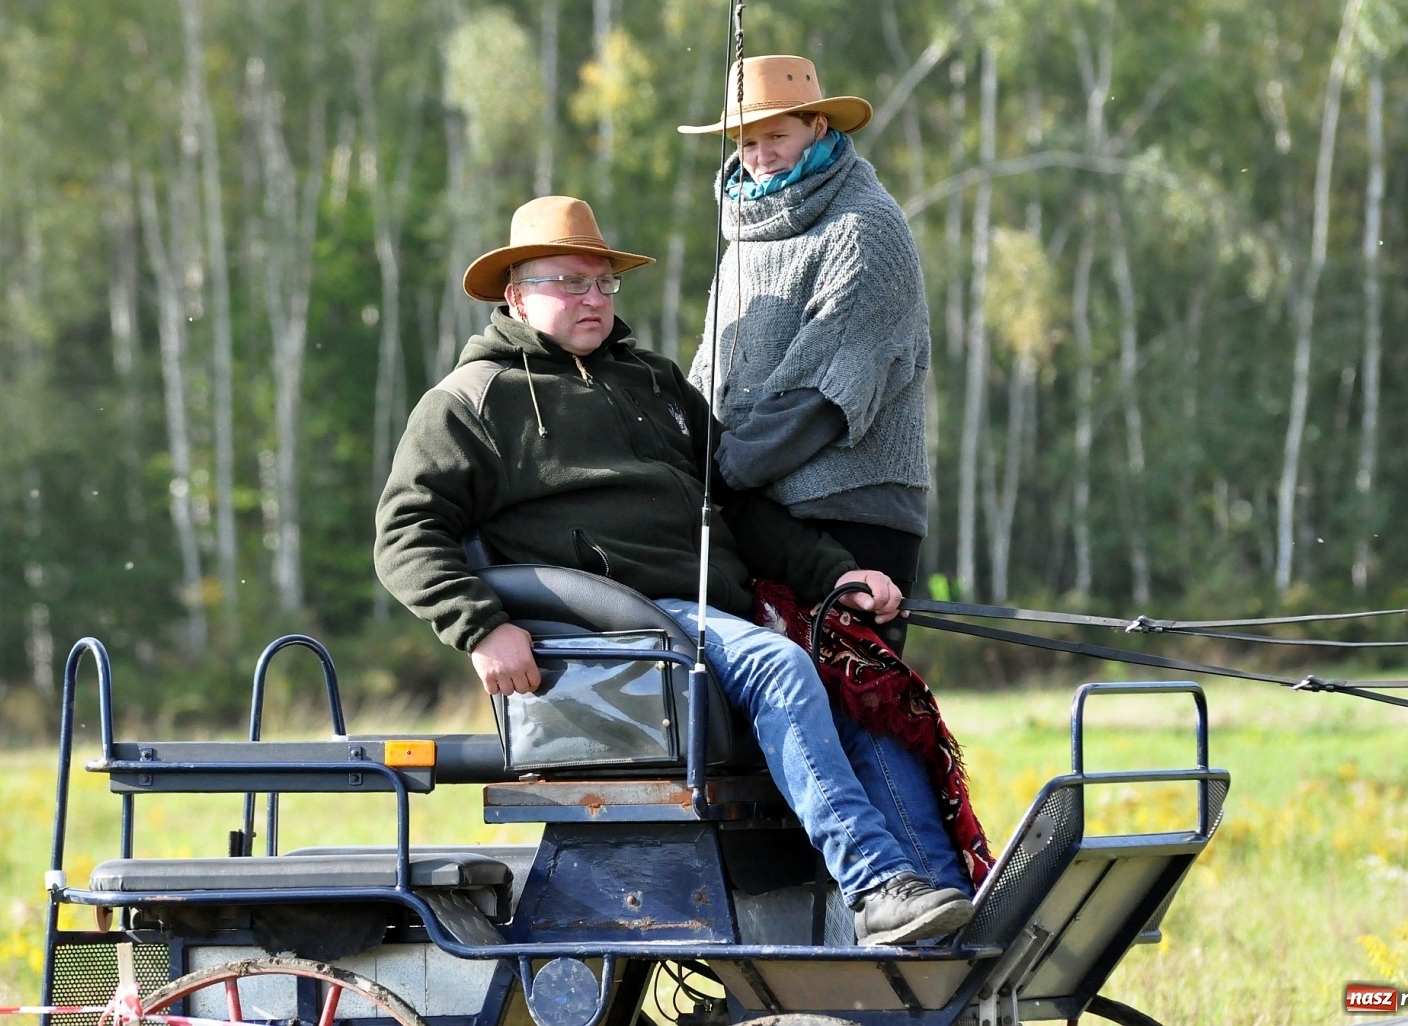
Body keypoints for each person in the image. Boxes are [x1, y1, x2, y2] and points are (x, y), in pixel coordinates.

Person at [375, 195, 973, 945]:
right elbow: (405, 530)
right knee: (782, 668)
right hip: (617, 632)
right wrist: (482, 627)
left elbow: (740, 508)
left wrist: (836, 577)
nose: (592, 299)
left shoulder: (654, 384)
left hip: (708, 618)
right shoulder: (470, 402)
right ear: (516, 294)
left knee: (865, 677)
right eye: (568, 282)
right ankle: (874, 885)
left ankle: (940, 907)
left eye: (603, 283)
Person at [681, 55, 931, 655]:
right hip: (754, 517)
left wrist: (719, 476)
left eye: (776, 136)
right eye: (745, 141)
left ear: (818, 128)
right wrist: (682, 461)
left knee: (864, 715)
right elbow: (711, 374)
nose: (760, 155)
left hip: (849, 518)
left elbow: (823, 393)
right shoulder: (742, 236)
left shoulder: (864, 227)